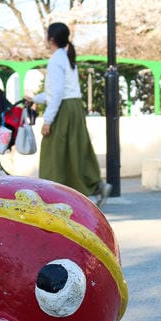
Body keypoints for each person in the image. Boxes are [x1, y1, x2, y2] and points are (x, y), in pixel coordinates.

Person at [38, 22, 110, 205]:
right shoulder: (66, 57)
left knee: (55, 153)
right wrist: (36, 98)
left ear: (51, 39)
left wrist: (47, 120)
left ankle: (53, 196)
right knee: (77, 149)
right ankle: (94, 187)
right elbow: (60, 91)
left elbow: (57, 93)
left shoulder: (56, 60)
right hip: (74, 107)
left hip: (63, 109)